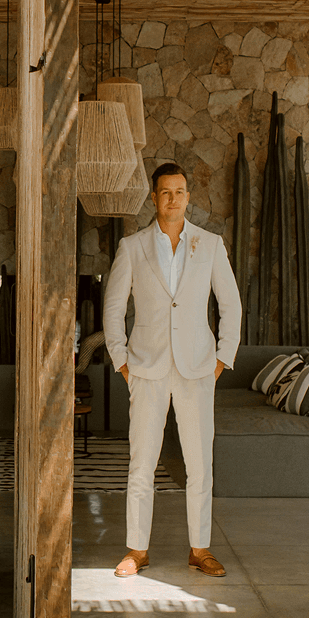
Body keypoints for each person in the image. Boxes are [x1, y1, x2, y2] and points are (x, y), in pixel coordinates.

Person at [103, 162, 242, 579]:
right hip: (146, 368)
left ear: (188, 196)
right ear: (154, 197)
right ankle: (136, 550)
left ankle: (200, 549)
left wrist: (221, 359)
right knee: (141, 462)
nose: (173, 199)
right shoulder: (133, 247)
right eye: (166, 192)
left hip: (198, 369)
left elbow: (231, 305)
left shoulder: (211, 244)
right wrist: (121, 361)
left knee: (200, 463)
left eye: (180, 192)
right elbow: (113, 309)